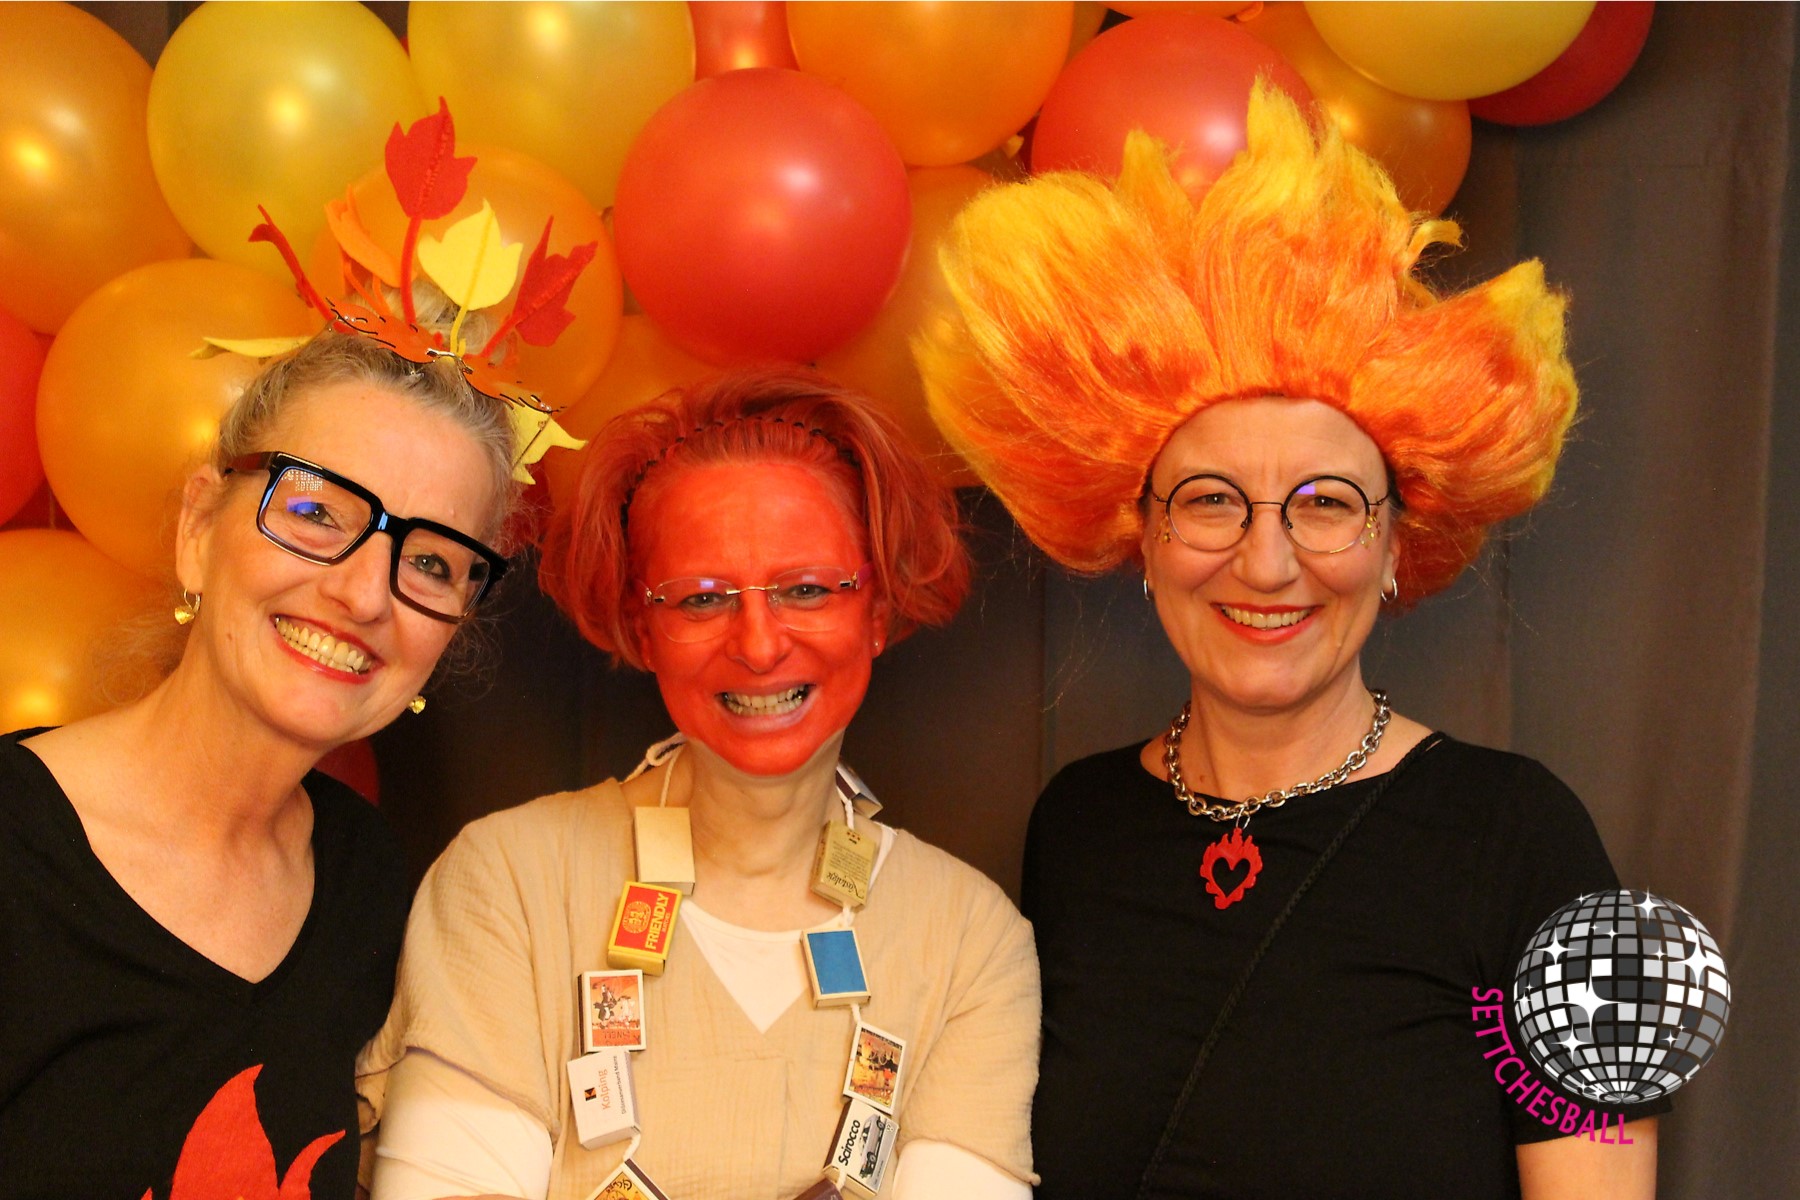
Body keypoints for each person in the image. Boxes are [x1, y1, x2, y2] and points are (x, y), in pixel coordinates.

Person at [917, 83, 1664, 1199]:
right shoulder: (1079, 830)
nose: (1266, 564)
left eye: (1325, 504)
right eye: (1212, 501)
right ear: (1143, 535)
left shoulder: (1523, 839)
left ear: (1398, 541)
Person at [358, 369, 1039, 1200]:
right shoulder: (510, 881)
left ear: (878, 610)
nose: (758, 645)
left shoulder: (970, 939)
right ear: (643, 628)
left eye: (807, 589)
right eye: (701, 600)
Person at [0, 328, 518, 1200]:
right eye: (316, 514)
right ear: (200, 527)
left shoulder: (365, 879)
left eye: (430, 562)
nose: (363, 594)